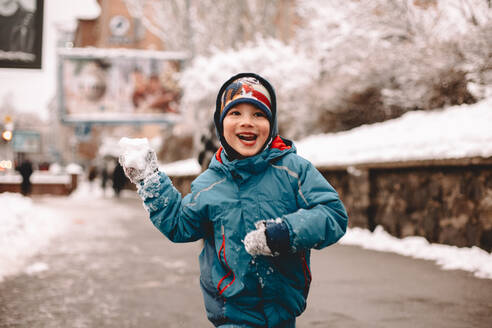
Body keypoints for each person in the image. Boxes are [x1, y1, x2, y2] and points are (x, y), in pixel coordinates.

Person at [119, 73, 348, 327]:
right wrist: (151, 182)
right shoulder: (210, 184)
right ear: (220, 123)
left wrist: (286, 232)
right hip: (232, 313)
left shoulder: (294, 171)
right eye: (235, 113)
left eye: (259, 114)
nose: (247, 122)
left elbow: (332, 214)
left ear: (272, 124)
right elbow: (179, 224)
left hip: (283, 311)